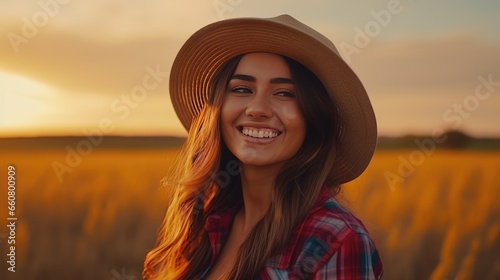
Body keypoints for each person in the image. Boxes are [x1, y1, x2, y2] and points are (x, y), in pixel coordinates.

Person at [143, 14, 383, 279]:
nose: (257, 109)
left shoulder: (336, 240)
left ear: (314, 118)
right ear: (218, 109)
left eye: (284, 93)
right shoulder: (207, 221)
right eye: (242, 89)